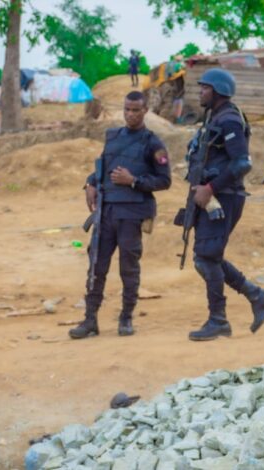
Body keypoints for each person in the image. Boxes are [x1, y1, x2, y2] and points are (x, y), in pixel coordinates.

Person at [183, 68, 264, 341]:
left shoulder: (230, 120)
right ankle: (257, 296)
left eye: (204, 88)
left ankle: (219, 320)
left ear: (218, 91)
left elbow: (242, 164)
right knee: (208, 256)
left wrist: (210, 188)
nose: (200, 91)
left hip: (223, 197)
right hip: (210, 197)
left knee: (205, 257)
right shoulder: (215, 118)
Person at [69, 91, 171, 339]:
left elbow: (164, 180)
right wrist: (90, 183)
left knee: (128, 267)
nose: (130, 114)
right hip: (106, 212)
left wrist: (133, 181)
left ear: (145, 110)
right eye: (127, 109)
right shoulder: (113, 137)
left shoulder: (153, 143)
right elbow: (102, 169)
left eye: (136, 110)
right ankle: (90, 319)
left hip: (131, 214)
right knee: (96, 265)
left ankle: (126, 317)